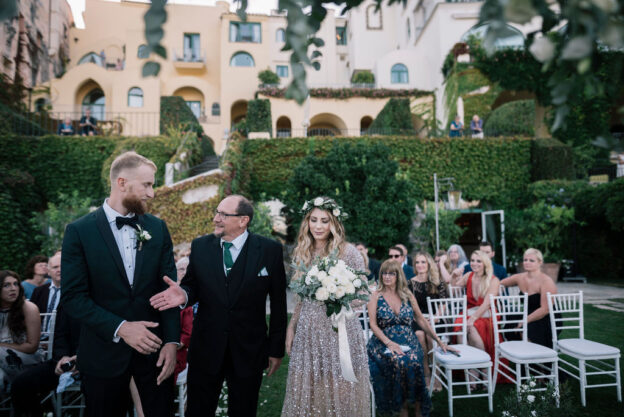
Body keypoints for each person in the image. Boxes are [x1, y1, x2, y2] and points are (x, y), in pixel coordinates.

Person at [61, 151, 180, 417]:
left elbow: (168, 291)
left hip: (154, 355)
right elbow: (73, 298)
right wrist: (121, 328)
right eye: (147, 185)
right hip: (102, 356)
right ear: (122, 183)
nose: (152, 193)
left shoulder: (158, 228)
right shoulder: (79, 231)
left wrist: (172, 342)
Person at [149, 194, 287, 417]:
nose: (216, 218)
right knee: (199, 411)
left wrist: (276, 349)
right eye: (217, 212)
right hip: (206, 348)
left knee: (244, 411)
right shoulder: (201, 246)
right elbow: (192, 287)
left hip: (248, 350)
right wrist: (183, 294)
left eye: (223, 214)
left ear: (243, 220)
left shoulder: (269, 250)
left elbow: (279, 303)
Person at [282, 196, 370, 416]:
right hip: (308, 332)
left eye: (324, 220)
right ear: (307, 222)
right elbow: (301, 298)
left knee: (341, 393)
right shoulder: (303, 251)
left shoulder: (348, 252)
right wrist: (291, 326)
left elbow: (364, 293)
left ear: (334, 224)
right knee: (307, 393)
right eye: (313, 220)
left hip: (339, 331)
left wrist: (340, 297)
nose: (318, 226)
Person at [368, 260, 454, 417]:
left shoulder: (407, 295)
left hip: (408, 340)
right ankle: (403, 407)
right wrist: (389, 343)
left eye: (391, 273)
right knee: (398, 361)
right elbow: (373, 325)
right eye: (384, 273)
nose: (387, 277)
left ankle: (418, 405)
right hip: (383, 341)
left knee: (414, 359)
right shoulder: (375, 295)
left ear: (398, 275)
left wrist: (439, 341)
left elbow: (421, 320)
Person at [11, 302, 81, 417]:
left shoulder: (107, 298)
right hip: (66, 362)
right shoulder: (69, 300)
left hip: (98, 363)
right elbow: (61, 335)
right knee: (22, 384)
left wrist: (83, 358)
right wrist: (63, 357)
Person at [452, 250, 501, 378]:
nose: (474, 263)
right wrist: (453, 276)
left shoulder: (493, 280)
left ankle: (482, 372)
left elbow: (486, 304)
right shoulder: (469, 275)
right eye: (472, 260)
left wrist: (472, 319)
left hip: (487, 314)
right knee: (465, 328)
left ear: (485, 263)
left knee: (469, 327)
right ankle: (473, 373)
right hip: (470, 312)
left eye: (478, 261)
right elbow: (453, 290)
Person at [499, 248, 558, 348]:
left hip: (546, 317)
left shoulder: (546, 281)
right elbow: (499, 283)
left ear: (540, 262)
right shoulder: (519, 277)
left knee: (525, 327)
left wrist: (525, 320)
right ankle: (519, 352)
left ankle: (531, 357)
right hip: (528, 313)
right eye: (525, 260)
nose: (527, 262)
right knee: (511, 320)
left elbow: (545, 309)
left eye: (531, 260)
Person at [408, 252, 448, 390]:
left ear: (429, 264)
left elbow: (443, 303)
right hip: (417, 318)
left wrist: (435, 317)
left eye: (423, 262)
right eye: (417, 262)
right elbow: (410, 306)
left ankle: (436, 374)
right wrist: (419, 318)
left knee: (430, 337)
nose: (420, 265)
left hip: (435, 318)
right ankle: (426, 372)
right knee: (420, 335)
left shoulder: (438, 283)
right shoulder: (410, 283)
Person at [0, 270, 43, 394]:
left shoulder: (29, 308)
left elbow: (32, 347)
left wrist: (2, 346)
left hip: (27, 360)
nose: (13, 289)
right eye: (6, 285)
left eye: (16, 284)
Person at [31, 251, 62, 335]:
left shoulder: (73, 291)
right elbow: (30, 318)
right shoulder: (38, 291)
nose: (59, 270)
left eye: (62, 266)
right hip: (39, 340)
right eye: (55, 267)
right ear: (48, 271)